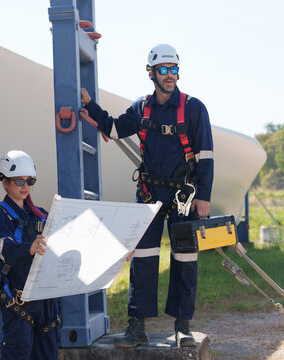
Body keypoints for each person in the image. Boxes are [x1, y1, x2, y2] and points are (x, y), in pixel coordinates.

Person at [81, 44, 213, 348]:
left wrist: (203, 198)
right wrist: (92, 107)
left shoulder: (194, 108)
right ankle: (136, 328)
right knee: (142, 259)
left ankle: (183, 328)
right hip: (149, 193)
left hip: (185, 197)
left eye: (174, 69)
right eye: (164, 70)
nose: (170, 75)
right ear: (151, 72)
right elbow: (114, 129)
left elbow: (206, 156)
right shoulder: (141, 108)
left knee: (184, 259)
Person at [0, 150, 59, 360]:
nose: (25, 186)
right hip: (18, 302)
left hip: (46, 301)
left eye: (30, 180)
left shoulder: (43, 214)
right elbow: (4, 249)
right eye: (19, 181)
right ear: (5, 182)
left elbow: (70, 243)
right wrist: (29, 248)